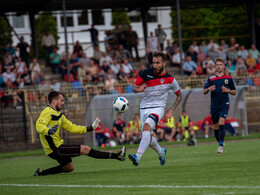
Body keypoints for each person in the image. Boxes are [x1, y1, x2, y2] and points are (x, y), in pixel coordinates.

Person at [33, 91, 126, 176]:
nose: (63, 103)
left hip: (56, 148)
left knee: (69, 168)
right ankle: (117, 156)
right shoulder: (47, 111)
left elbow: (72, 128)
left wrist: (90, 128)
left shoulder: (59, 115)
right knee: (86, 149)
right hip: (55, 148)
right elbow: (39, 125)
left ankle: (40, 173)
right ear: (54, 101)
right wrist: (48, 131)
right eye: (61, 100)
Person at [128, 52, 182, 166]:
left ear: (164, 63)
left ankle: (137, 157)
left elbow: (179, 96)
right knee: (147, 136)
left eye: (158, 63)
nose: (155, 65)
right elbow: (133, 87)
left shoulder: (170, 79)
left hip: (158, 108)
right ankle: (161, 152)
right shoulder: (146, 73)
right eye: (153, 63)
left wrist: (171, 110)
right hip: (144, 107)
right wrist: (138, 89)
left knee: (147, 128)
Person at [203, 58, 236, 155]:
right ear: (215, 66)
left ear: (224, 66)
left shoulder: (228, 79)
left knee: (222, 123)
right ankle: (220, 142)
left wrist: (228, 90)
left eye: (221, 64)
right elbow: (204, 91)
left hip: (224, 104)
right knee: (216, 127)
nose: (219, 66)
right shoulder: (211, 78)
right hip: (214, 106)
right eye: (217, 64)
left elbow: (234, 91)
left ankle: (220, 145)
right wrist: (209, 88)